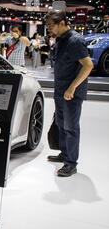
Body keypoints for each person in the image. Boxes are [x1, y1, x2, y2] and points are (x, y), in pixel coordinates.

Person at [45, 11, 93, 177]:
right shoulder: (61, 39)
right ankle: (65, 155)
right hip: (60, 90)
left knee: (71, 128)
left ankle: (71, 163)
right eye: (48, 26)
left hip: (71, 93)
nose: (49, 29)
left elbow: (88, 66)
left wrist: (72, 88)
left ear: (63, 22)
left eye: (51, 26)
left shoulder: (75, 41)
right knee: (61, 124)